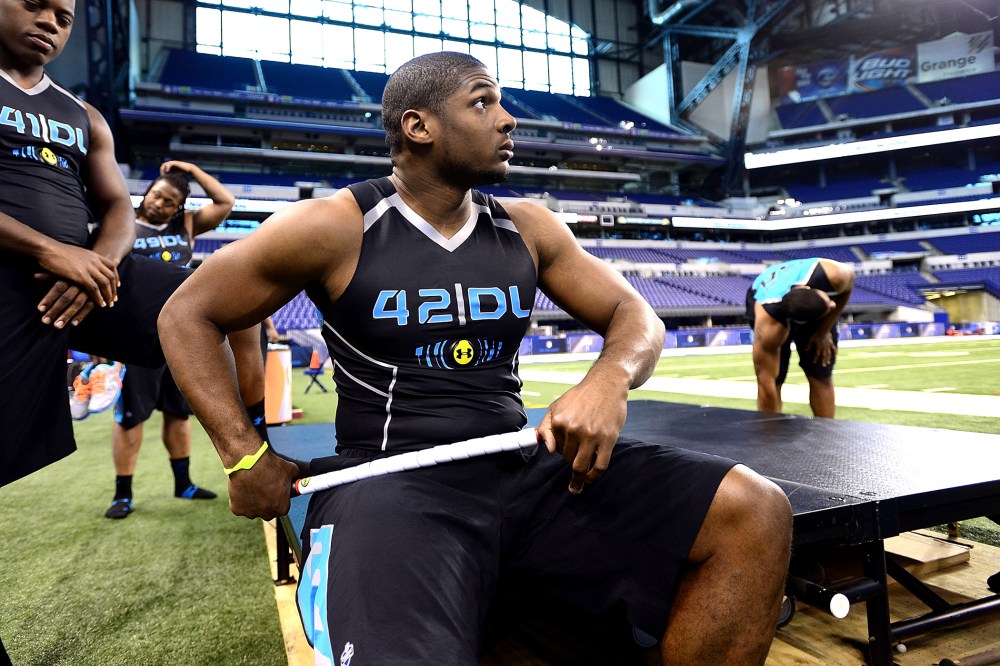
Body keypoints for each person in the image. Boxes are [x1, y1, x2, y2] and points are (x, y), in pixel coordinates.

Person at [160, 52, 793, 665]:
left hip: (520, 468)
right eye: (483, 101)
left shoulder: (528, 226)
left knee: (753, 510)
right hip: (387, 482)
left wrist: (609, 381)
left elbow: (637, 317)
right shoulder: (336, 225)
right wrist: (244, 455)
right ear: (419, 126)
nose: (507, 118)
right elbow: (186, 314)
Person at [0, 3, 267, 658]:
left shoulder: (81, 114)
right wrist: (48, 250)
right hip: (20, 273)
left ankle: (251, 451)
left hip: (88, 280)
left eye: (64, 13)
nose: (52, 21)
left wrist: (99, 262)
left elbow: (115, 202)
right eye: (34, 2)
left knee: (222, 298)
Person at [102, 160, 236, 519]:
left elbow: (225, 203)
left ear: (179, 207)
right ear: (147, 192)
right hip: (135, 334)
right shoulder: (122, 223)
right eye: (156, 195)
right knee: (131, 418)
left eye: (168, 201)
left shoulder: (187, 224)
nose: (158, 203)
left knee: (178, 414)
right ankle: (123, 494)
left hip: (181, 336)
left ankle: (183, 483)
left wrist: (192, 170)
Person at [746, 257, 855, 418]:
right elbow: (765, 383)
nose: (833, 305)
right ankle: (770, 436)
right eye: (829, 301)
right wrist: (769, 434)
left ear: (806, 287)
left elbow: (847, 289)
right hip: (764, 298)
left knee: (820, 370)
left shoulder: (836, 274)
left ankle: (826, 431)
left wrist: (823, 330)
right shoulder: (768, 325)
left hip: (806, 297)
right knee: (773, 380)